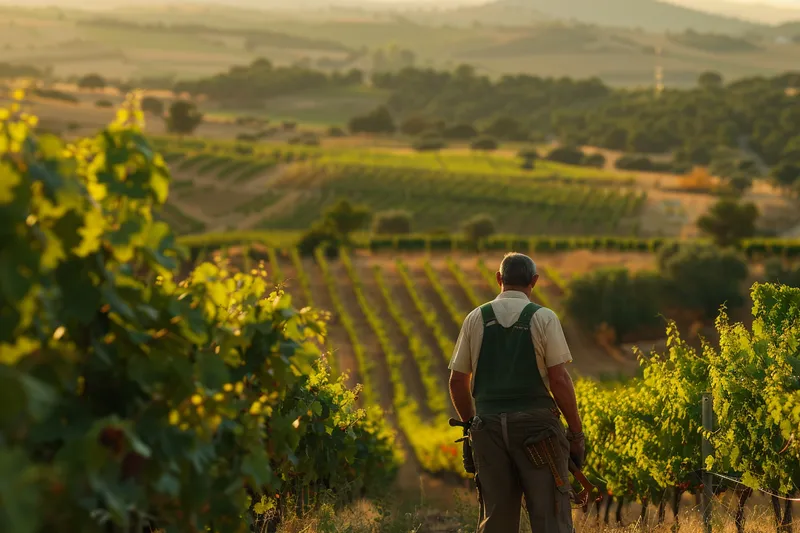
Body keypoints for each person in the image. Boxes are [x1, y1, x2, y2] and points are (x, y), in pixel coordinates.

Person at [448, 252, 584, 533]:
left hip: (489, 429)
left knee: (496, 519)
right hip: (538, 433)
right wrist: (576, 433)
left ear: (499, 279)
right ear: (534, 280)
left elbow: (457, 380)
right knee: (551, 517)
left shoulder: (475, 318)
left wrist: (470, 423)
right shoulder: (544, 318)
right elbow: (559, 381)